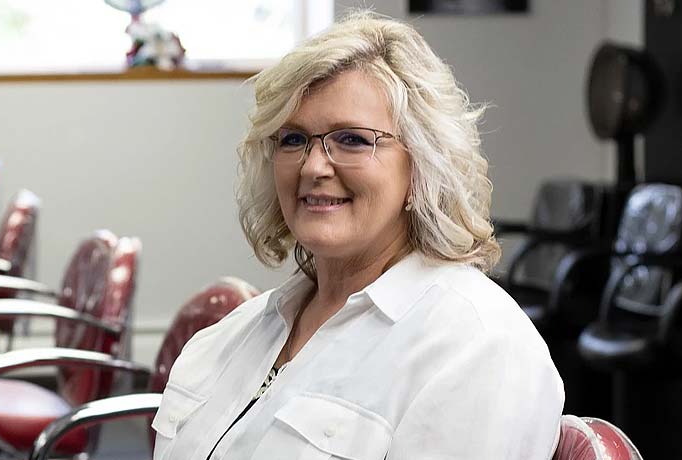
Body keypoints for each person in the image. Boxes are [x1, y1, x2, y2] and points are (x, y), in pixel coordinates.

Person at [152, 11, 562, 459]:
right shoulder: (235, 334)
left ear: (423, 163)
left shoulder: (479, 347)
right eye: (293, 140)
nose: (313, 166)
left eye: (351, 139)